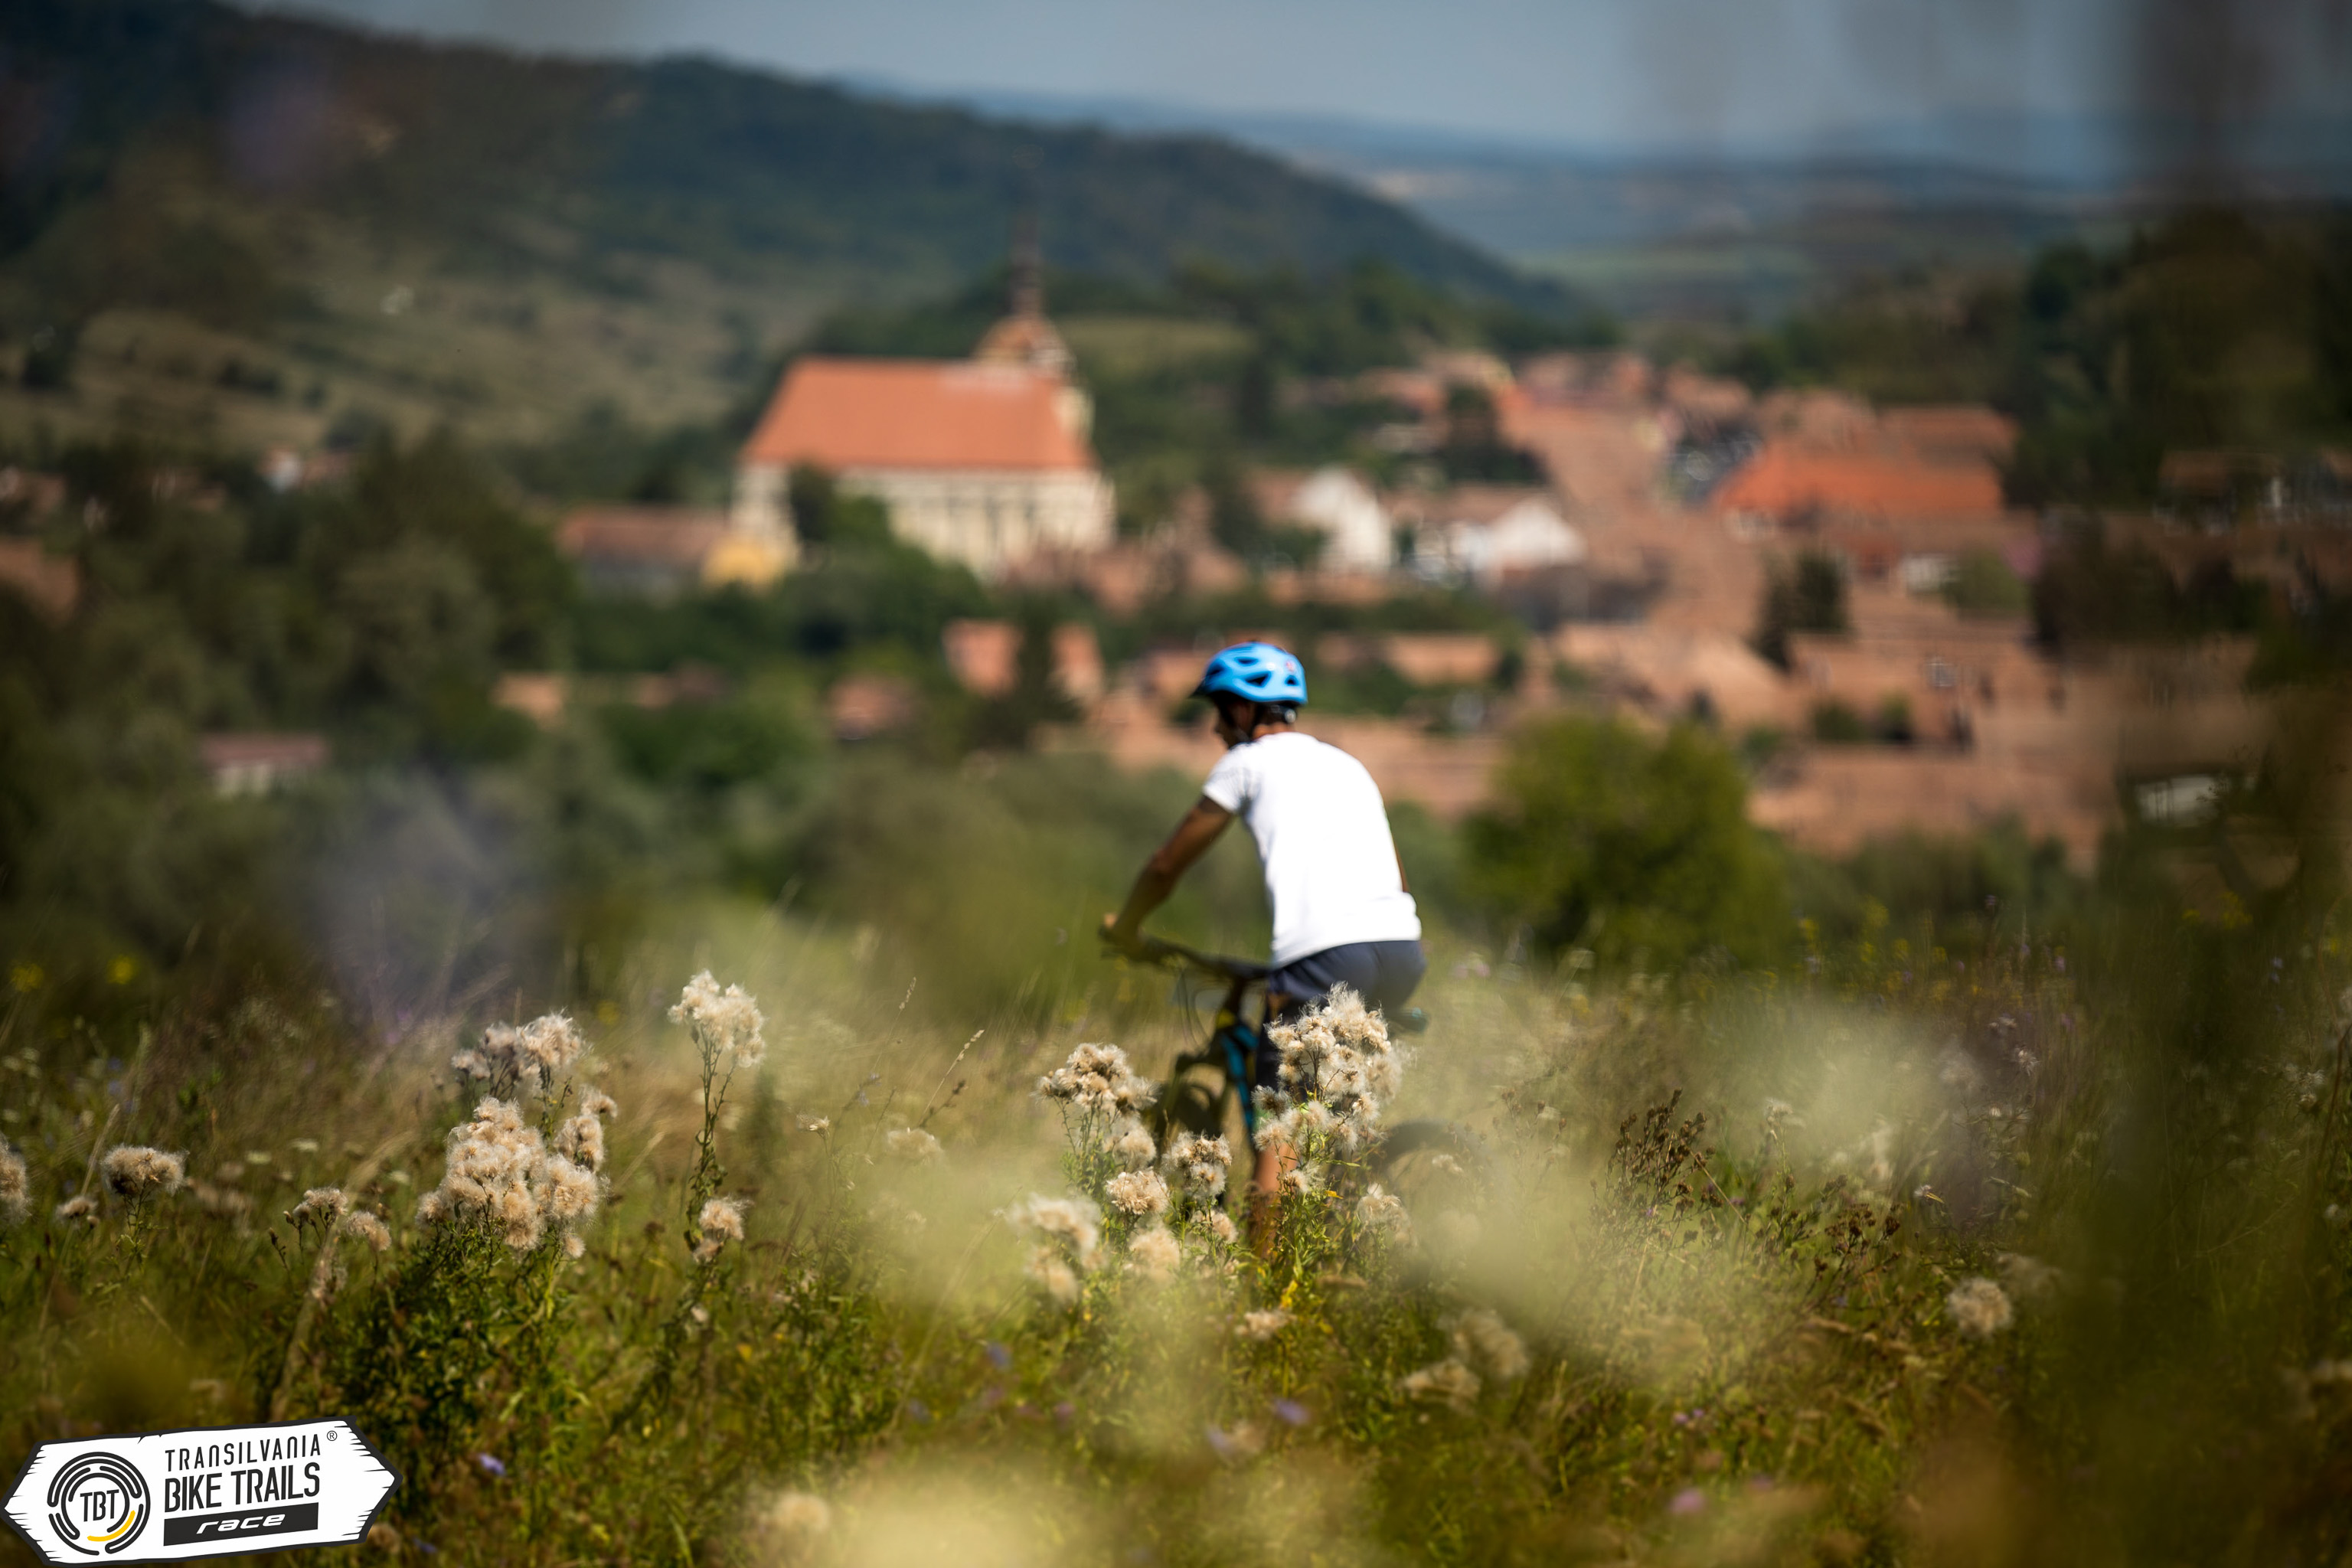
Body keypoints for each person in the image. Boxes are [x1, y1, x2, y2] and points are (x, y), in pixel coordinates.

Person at [1102, 642, 1425, 1232]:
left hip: (1325, 954)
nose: (1216, 727)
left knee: (1279, 1125)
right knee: (1329, 1097)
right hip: (1401, 948)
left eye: (1220, 710)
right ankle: (1351, 1206)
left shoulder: (1247, 763)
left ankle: (1264, 1280)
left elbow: (1167, 865)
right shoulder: (1347, 765)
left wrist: (1125, 927)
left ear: (1245, 709)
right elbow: (1397, 878)